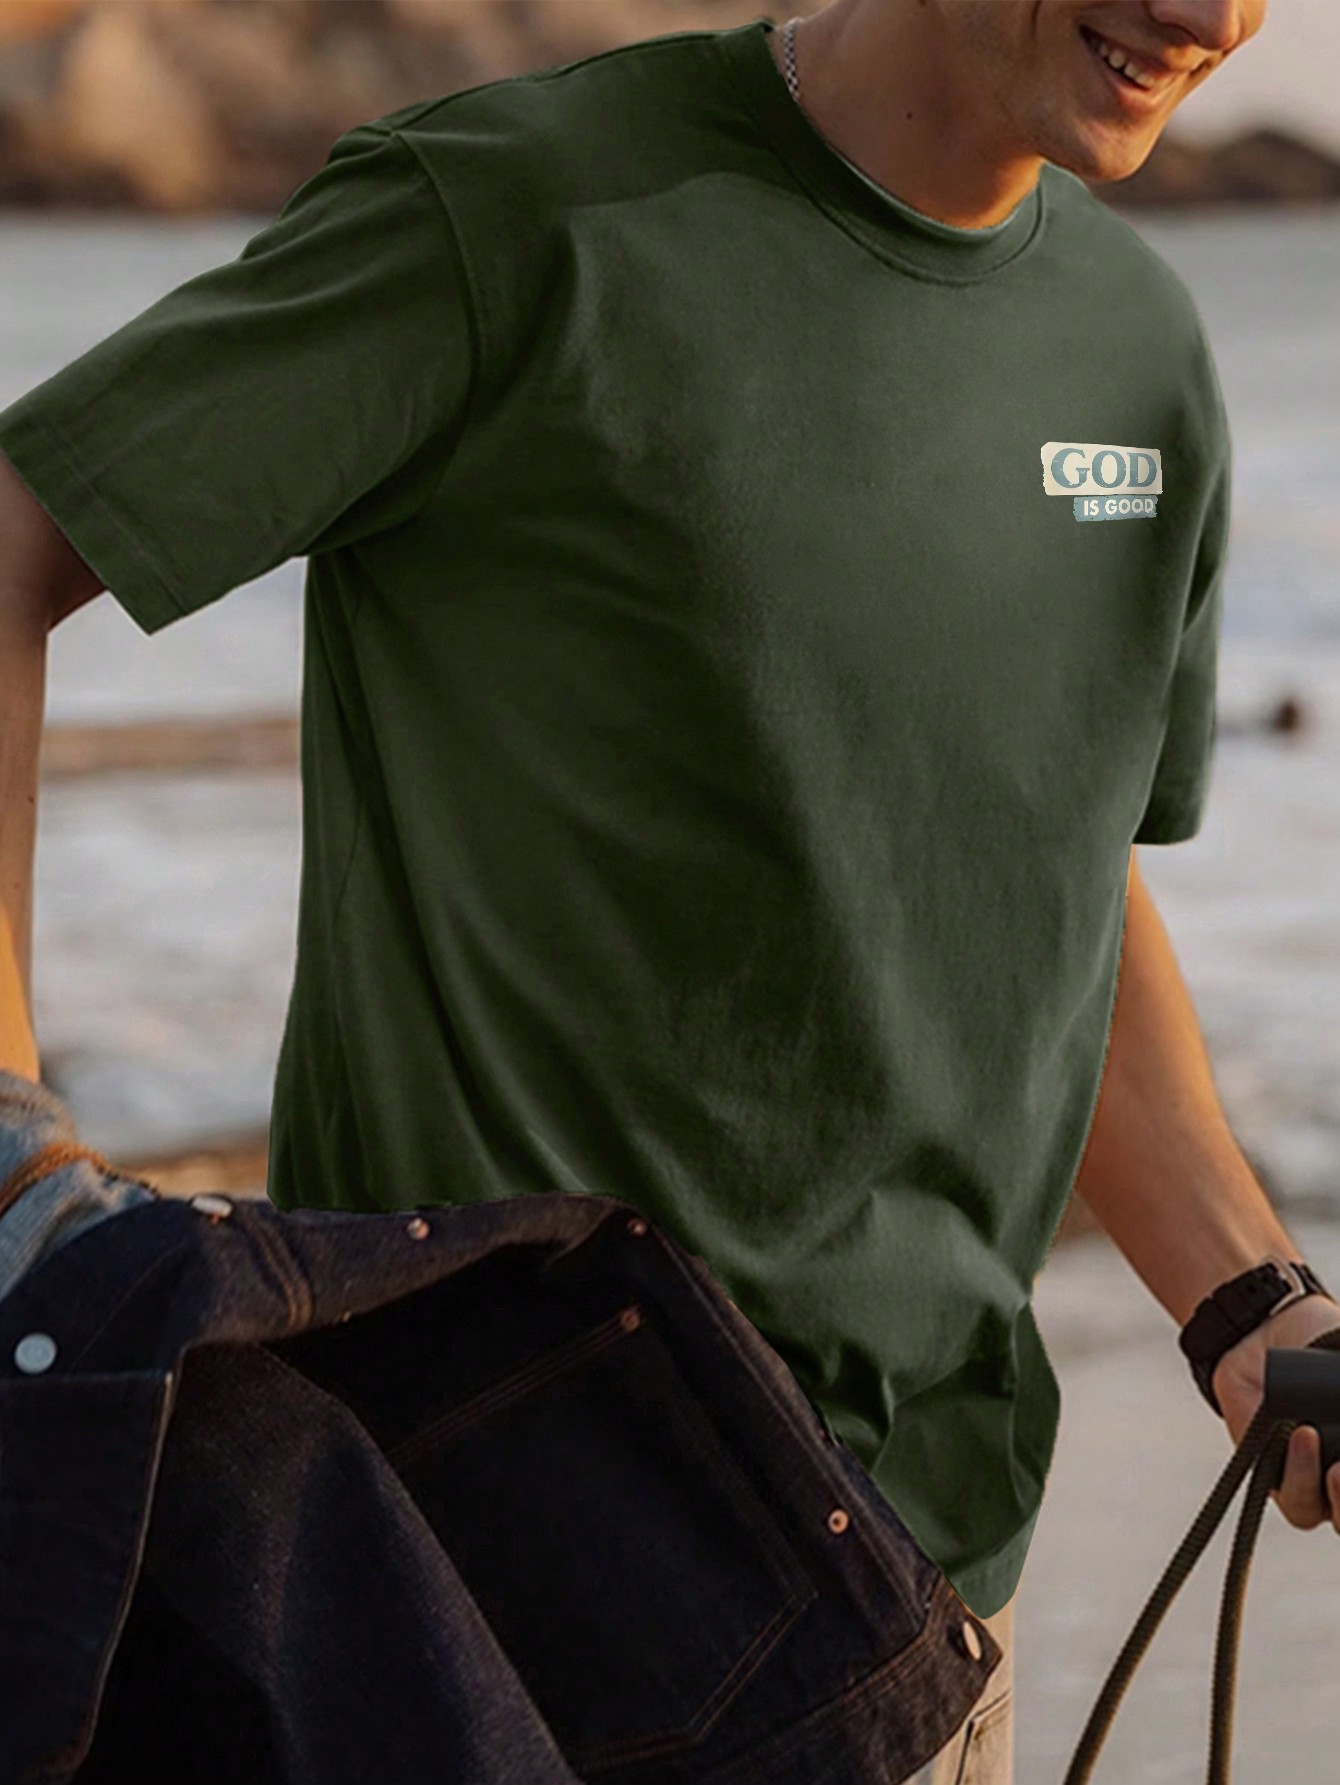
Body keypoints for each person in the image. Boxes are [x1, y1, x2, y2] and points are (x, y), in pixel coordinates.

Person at [4, 4, 1340, 1781]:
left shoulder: (1137, 350)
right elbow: (15, 530)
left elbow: (1038, 882)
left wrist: (1249, 1297)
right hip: (484, 1614)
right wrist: (15, 1147)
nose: (1210, 15)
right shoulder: (517, 218)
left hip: (924, 1615)